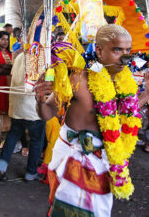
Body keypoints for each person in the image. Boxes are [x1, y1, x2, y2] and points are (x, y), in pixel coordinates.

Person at [34, 24, 149, 217]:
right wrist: (39, 100)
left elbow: (126, 113)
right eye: (117, 49)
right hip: (72, 158)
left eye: (128, 50)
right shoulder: (77, 79)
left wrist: (146, 94)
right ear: (99, 50)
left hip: (104, 163)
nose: (125, 56)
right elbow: (46, 114)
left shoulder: (125, 82)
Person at [0, 53, 46, 181]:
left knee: (13, 135)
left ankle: (1, 168)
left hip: (17, 106)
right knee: (36, 140)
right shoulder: (41, 56)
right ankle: (31, 172)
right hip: (33, 108)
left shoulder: (20, 56)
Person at [0, 31, 12, 132]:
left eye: (7, 39)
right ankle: (0, 130)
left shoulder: (11, 53)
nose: (5, 41)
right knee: (1, 103)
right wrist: (9, 69)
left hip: (10, 82)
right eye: (3, 39)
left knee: (10, 103)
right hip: (1, 81)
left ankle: (9, 128)